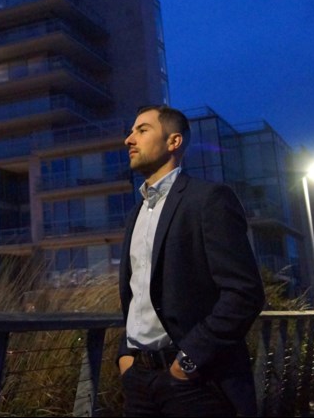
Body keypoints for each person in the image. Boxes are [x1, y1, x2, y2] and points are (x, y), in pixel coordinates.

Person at [118, 105, 265, 417]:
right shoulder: (136, 213)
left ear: (174, 142)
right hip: (138, 382)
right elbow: (137, 295)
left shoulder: (209, 200)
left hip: (192, 383)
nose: (129, 139)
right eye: (131, 131)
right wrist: (125, 357)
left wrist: (188, 362)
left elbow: (244, 293)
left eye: (142, 130)